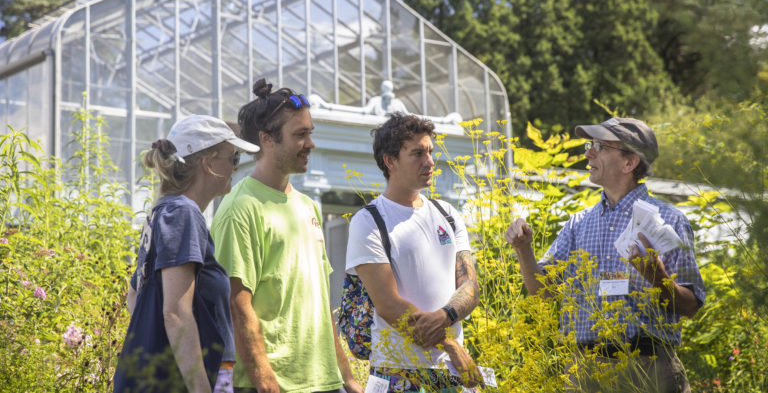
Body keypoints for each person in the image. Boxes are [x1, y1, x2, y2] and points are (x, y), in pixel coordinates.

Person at [505, 117, 706, 393]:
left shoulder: (669, 220)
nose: (588, 153)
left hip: (648, 370)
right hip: (584, 371)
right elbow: (543, 292)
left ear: (629, 163)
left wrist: (657, 277)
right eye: (591, 144)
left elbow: (692, 305)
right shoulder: (578, 223)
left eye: (600, 146)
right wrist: (523, 249)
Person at [210, 79, 362, 393]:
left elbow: (319, 301)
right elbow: (237, 307)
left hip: (324, 382)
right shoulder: (240, 208)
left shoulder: (307, 207)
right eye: (300, 135)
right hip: (271, 385)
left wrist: (347, 378)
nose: (311, 144)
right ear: (267, 139)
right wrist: (267, 384)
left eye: (310, 133)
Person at [115, 115, 260, 393]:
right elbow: (176, 313)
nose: (235, 167)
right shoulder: (182, 213)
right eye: (233, 158)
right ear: (208, 163)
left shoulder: (163, 212)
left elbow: (135, 295)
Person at [345, 113, 483, 392]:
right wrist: (449, 342)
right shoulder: (370, 220)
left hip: (452, 371)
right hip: (396, 373)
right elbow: (389, 305)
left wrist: (445, 316)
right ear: (390, 161)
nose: (430, 162)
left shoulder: (449, 214)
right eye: (418, 153)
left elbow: (470, 285)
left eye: (430, 152)